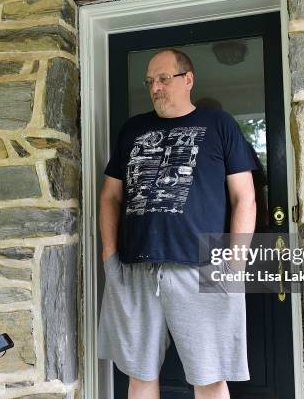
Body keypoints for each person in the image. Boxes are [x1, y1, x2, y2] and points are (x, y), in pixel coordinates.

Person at [98, 49, 257, 399]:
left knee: (210, 377)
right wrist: (110, 256)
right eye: (150, 81)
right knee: (139, 375)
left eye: (163, 78)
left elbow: (244, 198)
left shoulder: (220, 125)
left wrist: (234, 263)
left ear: (188, 79)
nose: (155, 87)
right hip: (136, 268)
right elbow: (110, 196)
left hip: (203, 268)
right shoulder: (133, 129)